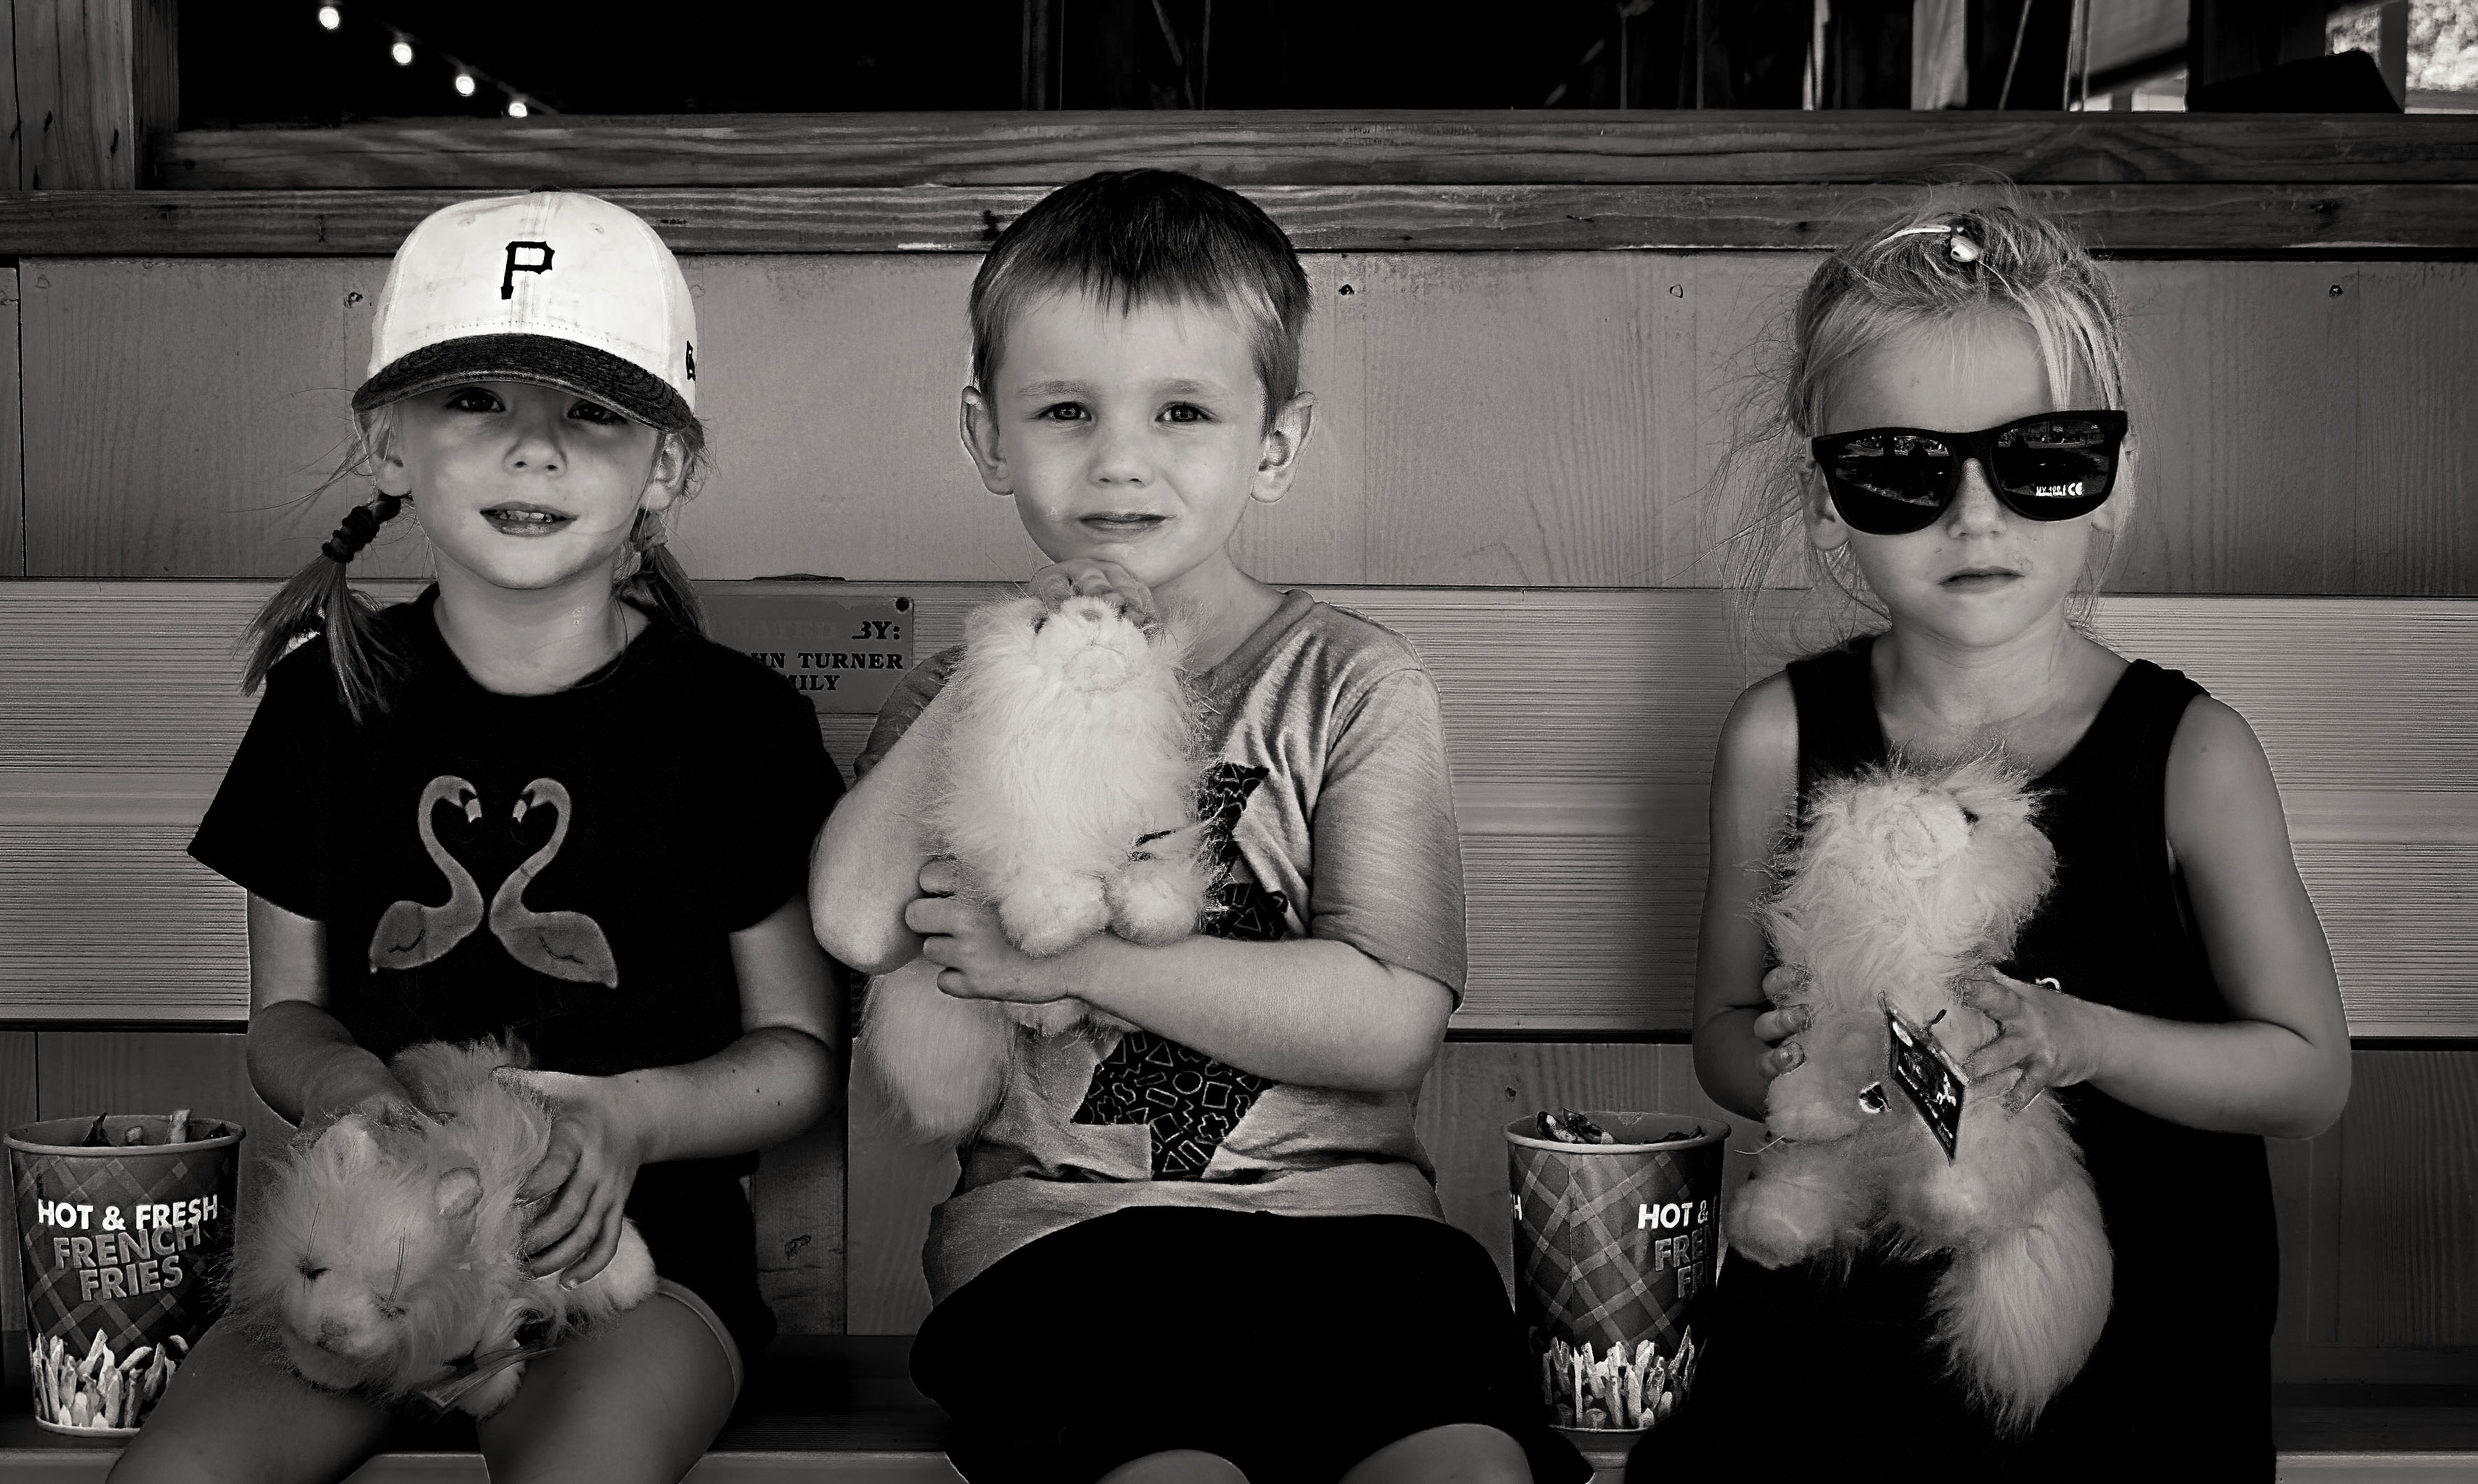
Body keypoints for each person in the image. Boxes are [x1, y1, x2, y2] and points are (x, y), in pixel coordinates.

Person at [809, 169, 1590, 1484]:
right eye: (1065, 411)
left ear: (1272, 445)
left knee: (1463, 1466)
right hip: (1061, 1244)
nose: (1120, 461)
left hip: (1357, 1232)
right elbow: (851, 920)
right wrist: (1009, 656)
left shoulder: (1349, 681)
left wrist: (1077, 962)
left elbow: (1388, 1023)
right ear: (988, 438)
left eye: (1182, 411)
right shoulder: (958, 693)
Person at [116, 192, 846, 1484]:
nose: (533, 450)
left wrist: (633, 1118)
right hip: (365, 1252)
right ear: (388, 444)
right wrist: (345, 1089)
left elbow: (796, 1054)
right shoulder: (327, 701)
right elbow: (284, 1019)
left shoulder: (734, 724)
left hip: (620, 1263)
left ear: (665, 467)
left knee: (582, 1473)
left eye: (594, 412)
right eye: (474, 401)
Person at [1631, 193, 2352, 1482]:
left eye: (2041, 458)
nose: (1975, 515)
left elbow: (2305, 1078)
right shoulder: (1777, 738)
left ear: (2115, 479)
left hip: (2138, 1364)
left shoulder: (2191, 755)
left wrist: (2084, 1039)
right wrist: (1797, 1057)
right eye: (1902, 468)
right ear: (1824, 500)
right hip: (1836, 1358)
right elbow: (1724, 1035)